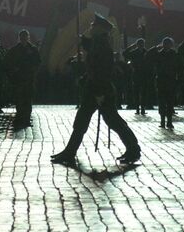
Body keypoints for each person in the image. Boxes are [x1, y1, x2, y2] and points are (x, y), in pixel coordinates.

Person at [51, 14, 141, 166]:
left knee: (112, 122)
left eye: (94, 25)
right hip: (95, 88)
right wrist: (83, 41)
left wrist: (99, 92)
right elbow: (92, 50)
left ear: (100, 29)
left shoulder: (102, 45)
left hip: (99, 89)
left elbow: (102, 69)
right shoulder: (99, 42)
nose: (91, 27)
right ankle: (69, 152)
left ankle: (133, 150)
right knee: (84, 121)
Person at [4, 30, 40, 128]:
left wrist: (33, 71)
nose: (24, 39)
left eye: (25, 37)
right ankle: (20, 118)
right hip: (19, 79)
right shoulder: (15, 50)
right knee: (19, 100)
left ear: (27, 37)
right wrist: (13, 72)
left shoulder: (33, 49)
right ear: (20, 38)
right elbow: (7, 63)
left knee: (27, 100)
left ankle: (26, 119)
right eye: (22, 37)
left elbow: (37, 63)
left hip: (29, 79)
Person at [153, 36, 182, 129]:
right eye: (165, 44)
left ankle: (169, 121)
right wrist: (155, 48)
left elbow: (178, 66)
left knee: (170, 102)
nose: (167, 46)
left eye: (168, 44)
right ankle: (162, 120)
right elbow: (149, 57)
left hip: (170, 80)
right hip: (161, 81)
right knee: (161, 103)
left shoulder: (174, 54)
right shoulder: (158, 54)